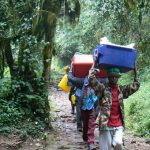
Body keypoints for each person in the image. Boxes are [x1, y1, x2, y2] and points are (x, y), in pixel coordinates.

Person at [88, 67, 140, 150]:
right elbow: (92, 81)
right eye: (111, 77)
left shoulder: (121, 90)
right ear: (108, 77)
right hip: (106, 123)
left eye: (116, 77)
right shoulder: (103, 89)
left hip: (118, 123)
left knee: (118, 143)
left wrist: (136, 72)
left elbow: (135, 86)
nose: (113, 79)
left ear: (118, 78)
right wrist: (93, 71)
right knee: (106, 148)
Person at [68, 73, 97, 150]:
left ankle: (91, 142)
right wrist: (70, 72)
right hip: (83, 106)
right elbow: (71, 79)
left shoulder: (96, 81)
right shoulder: (81, 81)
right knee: (85, 123)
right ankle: (85, 136)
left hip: (91, 107)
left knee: (91, 123)